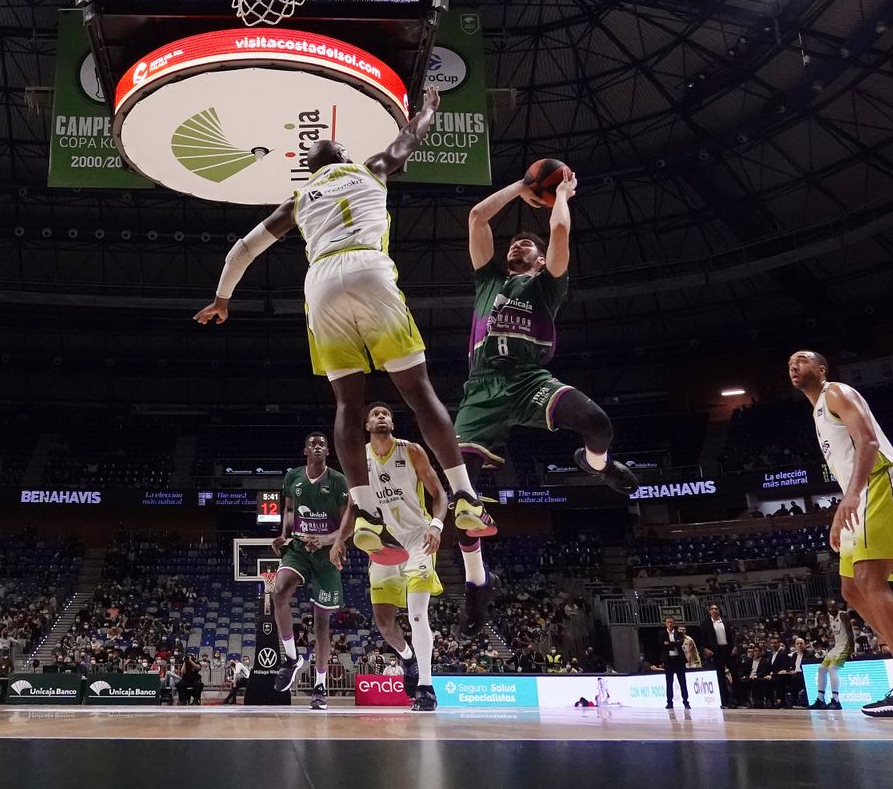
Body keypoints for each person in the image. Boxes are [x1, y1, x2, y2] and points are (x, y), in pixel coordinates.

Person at [195, 86, 495, 565]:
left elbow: (242, 251)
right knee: (417, 392)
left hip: (321, 283)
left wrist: (221, 299)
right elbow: (408, 140)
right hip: (368, 267)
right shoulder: (369, 169)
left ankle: (366, 511)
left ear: (310, 169)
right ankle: (462, 493)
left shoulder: (298, 199)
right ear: (346, 156)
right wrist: (430, 109)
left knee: (347, 402)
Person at [456, 168, 640, 632]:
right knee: (463, 496)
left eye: (526, 245)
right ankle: (479, 582)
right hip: (482, 388)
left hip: (528, 377)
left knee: (598, 423)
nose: (517, 245)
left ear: (540, 262)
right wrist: (520, 188)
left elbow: (558, 229)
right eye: (514, 243)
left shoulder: (546, 285)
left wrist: (561, 193)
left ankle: (596, 464)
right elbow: (478, 216)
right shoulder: (487, 280)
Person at [789, 349, 893, 716]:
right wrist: (841, 508)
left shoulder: (837, 392)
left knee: (870, 580)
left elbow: (870, 442)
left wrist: (851, 496)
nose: (793, 366)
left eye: (801, 360)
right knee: (851, 588)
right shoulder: (817, 412)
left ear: (821, 368)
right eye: (789, 364)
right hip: (860, 493)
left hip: (880, 483)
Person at [360, 403, 446, 712]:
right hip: (384, 545)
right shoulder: (360, 459)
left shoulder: (411, 451)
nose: (382, 416)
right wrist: (338, 540)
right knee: (384, 623)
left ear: (392, 423)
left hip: (418, 539)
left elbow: (440, 495)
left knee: (417, 614)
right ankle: (408, 658)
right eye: (375, 414)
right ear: (367, 424)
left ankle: (425, 686)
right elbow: (353, 507)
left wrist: (436, 525)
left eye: (386, 413)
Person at [269, 432, 351, 710]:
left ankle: (320, 687)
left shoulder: (338, 481)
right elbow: (289, 510)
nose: (317, 447)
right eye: (312, 444)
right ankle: (291, 659)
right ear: (305, 450)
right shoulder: (293, 477)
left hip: (327, 554)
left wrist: (328, 541)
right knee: (278, 591)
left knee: (321, 625)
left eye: (322, 444)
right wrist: (283, 534)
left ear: (327, 451)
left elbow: (348, 524)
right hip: (300, 547)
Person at [810, 602, 852, 710]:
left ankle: (836, 700)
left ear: (838, 607)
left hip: (845, 646)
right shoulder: (830, 617)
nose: (831, 609)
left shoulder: (843, 615)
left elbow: (850, 632)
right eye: (829, 607)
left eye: (833, 607)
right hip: (837, 646)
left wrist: (852, 650)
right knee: (821, 669)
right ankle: (820, 699)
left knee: (832, 668)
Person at [697, 603, 735, 708]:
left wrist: (735, 646)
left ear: (719, 610)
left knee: (734, 674)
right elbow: (702, 638)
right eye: (712, 609)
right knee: (721, 676)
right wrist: (705, 648)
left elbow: (732, 636)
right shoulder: (706, 623)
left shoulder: (725, 621)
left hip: (728, 649)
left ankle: (737, 700)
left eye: (716, 608)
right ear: (709, 611)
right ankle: (725, 701)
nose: (714, 610)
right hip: (716, 651)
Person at [658, 617, 688, 709]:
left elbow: (680, 643)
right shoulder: (662, 634)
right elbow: (661, 645)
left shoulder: (679, 633)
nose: (670, 624)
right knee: (669, 682)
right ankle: (669, 702)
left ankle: (686, 702)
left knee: (682, 682)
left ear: (674, 623)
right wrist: (674, 643)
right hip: (668, 660)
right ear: (665, 624)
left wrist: (669, 644)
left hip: (678, 660)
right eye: (668, 622)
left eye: (671, 622)